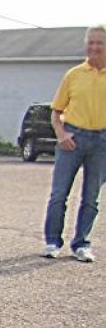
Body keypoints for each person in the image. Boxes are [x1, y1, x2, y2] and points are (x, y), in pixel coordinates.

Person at [42, 25, 106, 263]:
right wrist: (61, 134)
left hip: (101, 141)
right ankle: (52, 242)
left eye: (99, 42)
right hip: (73, 138)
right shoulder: (74, 75)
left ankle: (81, 244)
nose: (94, 47)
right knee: (59, 194)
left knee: (91, 197)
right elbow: (56, 112)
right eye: (91, 42)